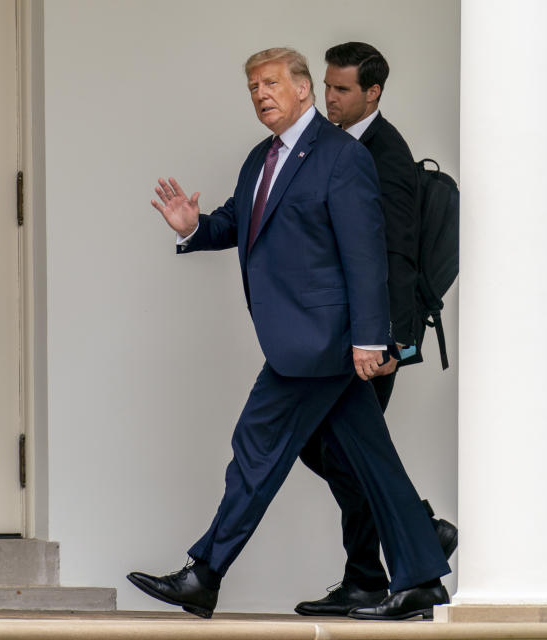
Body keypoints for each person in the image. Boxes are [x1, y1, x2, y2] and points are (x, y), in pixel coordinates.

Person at [126, 47, 450, 621]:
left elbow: (366, 254)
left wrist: (372, 338)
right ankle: (421, 573)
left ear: (304, 89)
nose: (261, 94)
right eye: (252, 87)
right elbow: (240, 219)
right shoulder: (261, 157)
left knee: (256, 449)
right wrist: (195, 226)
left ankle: (205, 574)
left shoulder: (341, 156)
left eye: (271, 83)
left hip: (322, 342)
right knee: (371, 462)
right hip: (304, 341)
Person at [294, 42, 459, 618]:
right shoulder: (336, 145)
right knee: (333, 446)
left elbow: (396, 258)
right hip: (340, 335)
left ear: (373, 93)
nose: (329, 98)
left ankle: (379, 566)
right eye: (328, 86)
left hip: (375, 340)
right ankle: (380, 562)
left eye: (341, 90)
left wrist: (392, 342)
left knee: (343, 444)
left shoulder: (384, 155)